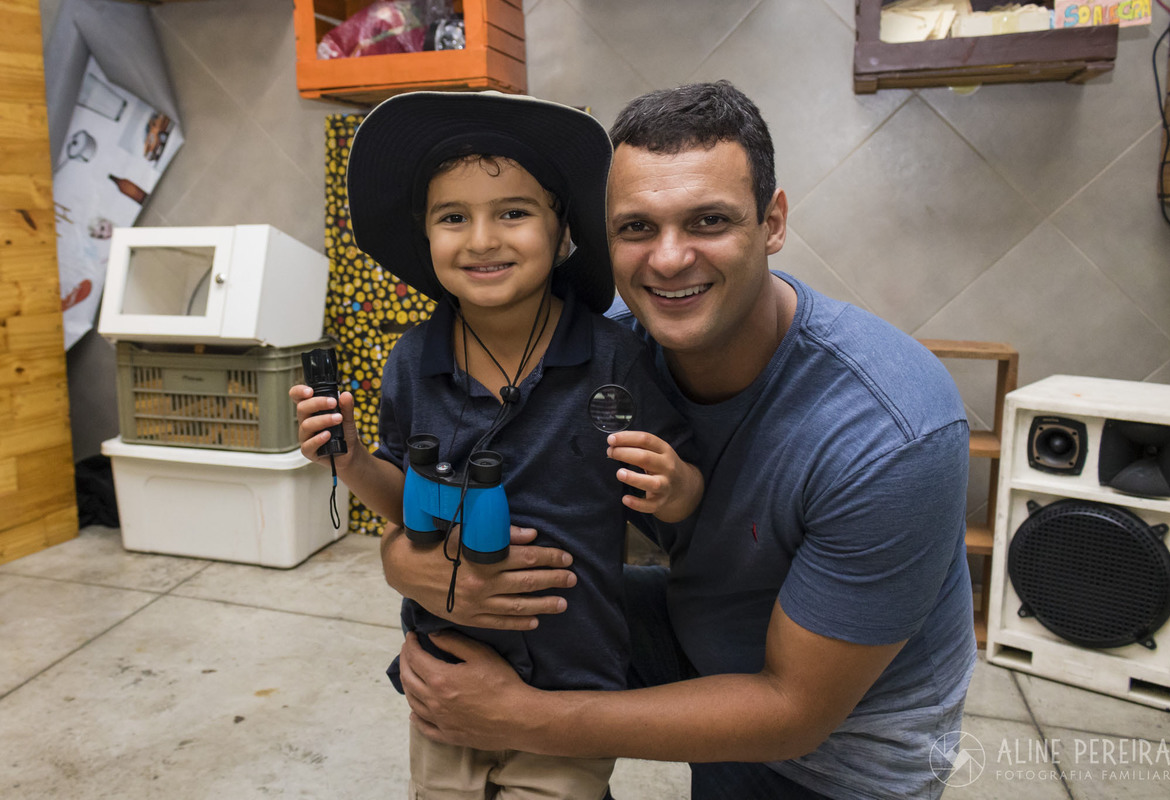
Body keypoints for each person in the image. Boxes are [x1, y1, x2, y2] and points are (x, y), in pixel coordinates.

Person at [387, 80, 978, 799]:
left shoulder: (888, 433)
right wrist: (407, 562)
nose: (668, 260)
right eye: (637, 228)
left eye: (709, 221)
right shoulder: (605, 350)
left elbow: (794, 715)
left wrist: (522, 718)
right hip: (698, 627)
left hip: (838, 758)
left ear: (773, 222)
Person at [289, 91, 703, 799]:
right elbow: (407, 502)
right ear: (425, 236)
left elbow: (685, 499)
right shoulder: (411, 363)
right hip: (445, 672)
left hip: (572, 676)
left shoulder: (615, 357)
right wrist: (351, 460)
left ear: (563, 230)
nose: (482, 239)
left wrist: (676, 486)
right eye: (453, 217)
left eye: (513, 212)